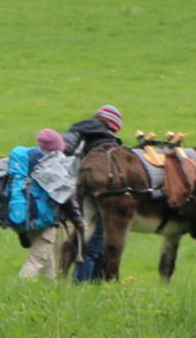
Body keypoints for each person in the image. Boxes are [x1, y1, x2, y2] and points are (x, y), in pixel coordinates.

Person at [62, 105, 123, 281]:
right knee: (94, 244)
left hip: (73, 194)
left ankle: (93, 283)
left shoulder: (79, 133)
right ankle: (82, 284)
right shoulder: (105, 142)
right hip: (99, 196)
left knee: (83, 240)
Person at [8, 129, 67, 280]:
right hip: (45, 217)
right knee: (37, 258)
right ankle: (18, 289)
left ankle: (51, 286)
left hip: (23, 213)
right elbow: (65, 195)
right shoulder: (55, 164)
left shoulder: (26, 158)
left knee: (46, 254)